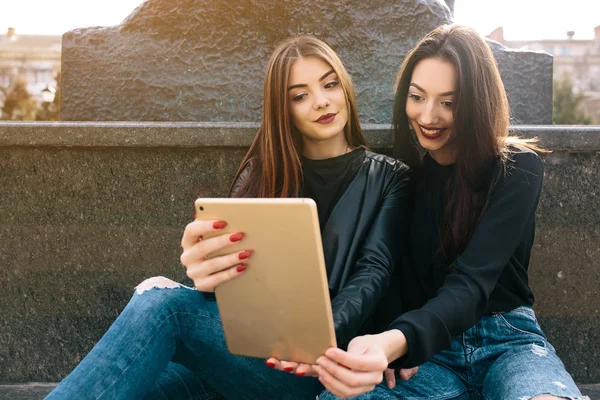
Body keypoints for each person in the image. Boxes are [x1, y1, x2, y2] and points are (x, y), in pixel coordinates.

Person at [46, 35, 413, 400]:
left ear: (345, 88)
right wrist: (206, 272)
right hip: (239, 356)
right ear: (283, 110)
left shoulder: (390, 177)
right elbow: (228, 289)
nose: (321, 101)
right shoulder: (261, 172)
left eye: (330, 84)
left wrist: (314, 340)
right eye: (300, 96)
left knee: (165, 305)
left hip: (320, 366)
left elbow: (373, 272)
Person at [314, 24, 588, 400]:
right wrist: (401, 342)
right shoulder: (403, 179)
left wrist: (400, 338)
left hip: (507, 342)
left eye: (449, 101)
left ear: (477, 102)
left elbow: (472, 284)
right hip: (431, 354)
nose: (428, 116)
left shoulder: (517, 168)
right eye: (417, 96)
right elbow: (388, 274)